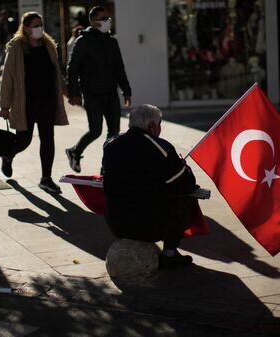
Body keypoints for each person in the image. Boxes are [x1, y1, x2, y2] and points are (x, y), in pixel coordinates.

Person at [102, 104, 198, 269]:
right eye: (160, 123)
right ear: (152, 126)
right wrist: (184, 167)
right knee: (185, 196)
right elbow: (186, 184)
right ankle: (169, 254)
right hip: (149, 227)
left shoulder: (111, 145)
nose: (160, 128)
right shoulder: (160, 147)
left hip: (116, 224)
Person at [0, 11, 69, 193]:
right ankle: (8, 154)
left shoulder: (48, 45)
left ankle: (46, 178)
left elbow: (56, 71)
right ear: (26, 28)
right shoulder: (16, 47)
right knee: (24, 140)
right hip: (25, 102)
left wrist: (66, 90)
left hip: (47, 101)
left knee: (48, 139)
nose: (39, 28)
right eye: (35, 25)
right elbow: (7, 78)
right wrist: (4, 106)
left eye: (41, 24)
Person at [66, 6, 132, 173]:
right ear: (94, 22)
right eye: (103, 19)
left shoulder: (112, 42)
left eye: (108, 18)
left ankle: (106, 167)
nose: (108, 21)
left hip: (111, 93)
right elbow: (72, 68)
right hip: (92, 94)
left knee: (114, 132)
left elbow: (119, 68)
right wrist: (73, 93)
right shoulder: (83, 41)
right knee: (95, 130)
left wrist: (126, 90)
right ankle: (75, 151)